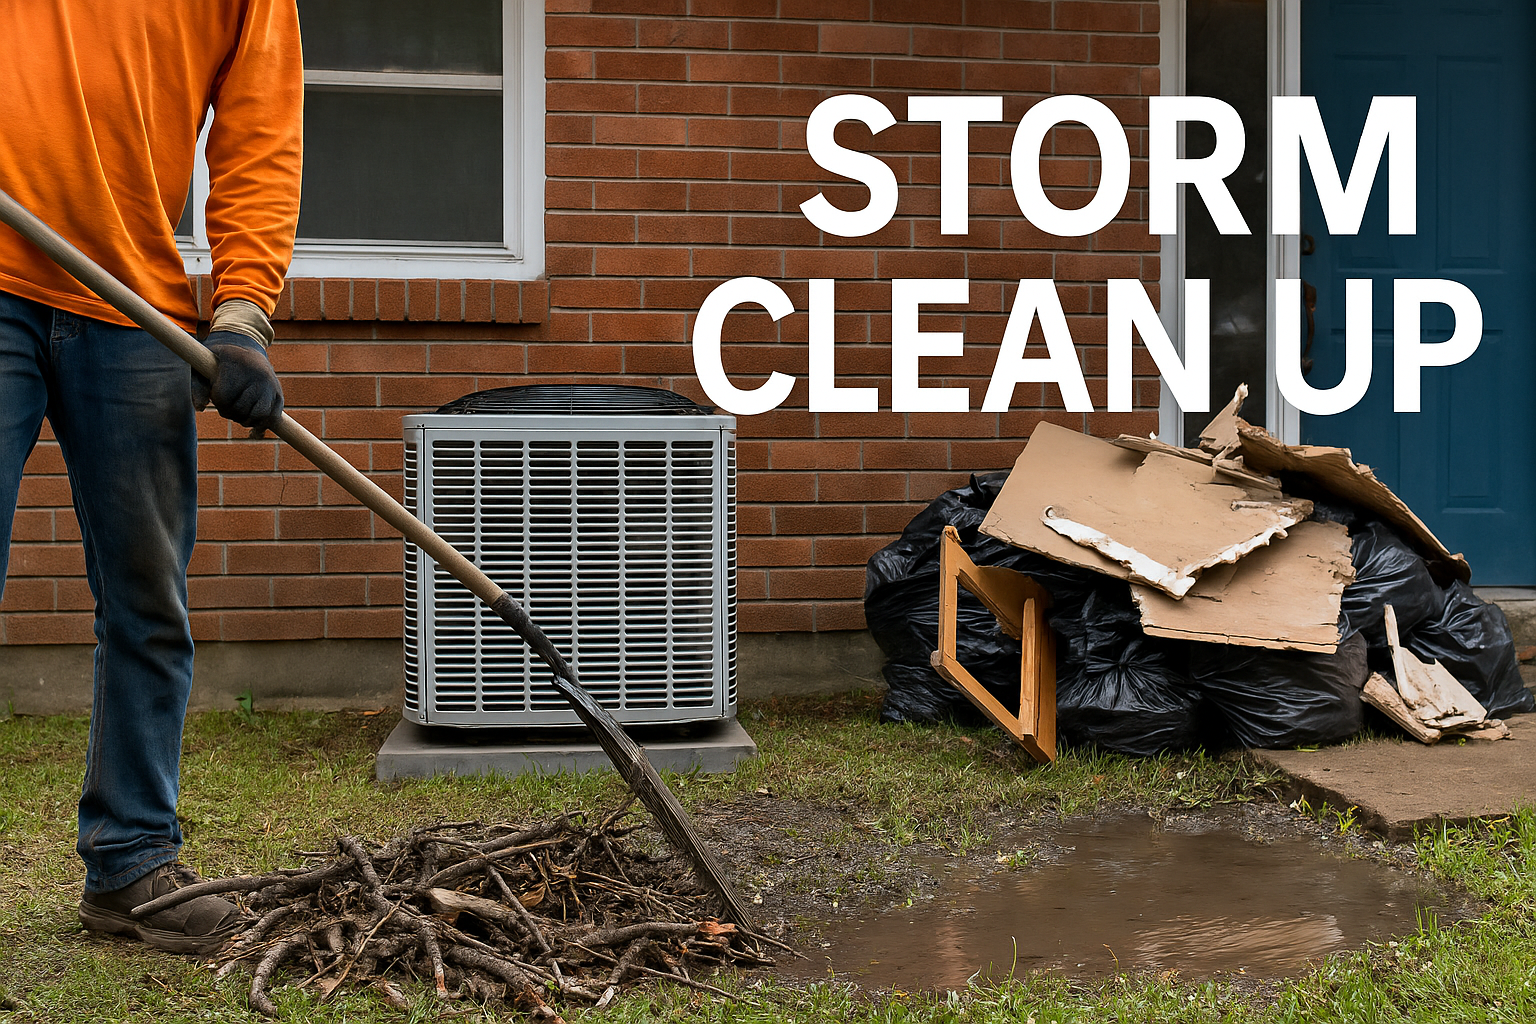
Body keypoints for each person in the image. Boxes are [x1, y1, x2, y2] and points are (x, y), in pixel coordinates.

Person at [0, 1, 303, 953]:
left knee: (147, 596)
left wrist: (244, 311)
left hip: (133, 303)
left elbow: (261, 134)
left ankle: (131, 863)